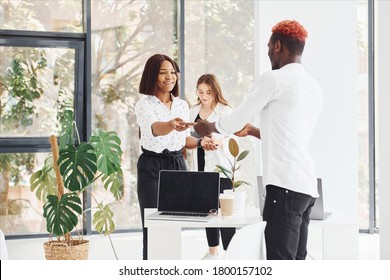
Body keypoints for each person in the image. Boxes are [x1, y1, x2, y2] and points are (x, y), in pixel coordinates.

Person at [193, 20, 326, 260]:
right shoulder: (314, 87)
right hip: (306, 189)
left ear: (277, 46)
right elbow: (289, 136)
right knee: (297, 263)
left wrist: (207, 127)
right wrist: (254, 131)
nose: (267, 53)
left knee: (278, 263)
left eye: (267, 47)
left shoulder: (274, 79)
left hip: (284, 187)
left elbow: (232, 121)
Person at [135, 54, 216, 260]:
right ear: (152, 75)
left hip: (177, 165)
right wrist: (171, 124)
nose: (169, 77)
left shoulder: (181, 105)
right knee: (153, 226)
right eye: (163, 72)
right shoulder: (144, 105)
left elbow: (183, 140)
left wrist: (200, 142)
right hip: (152, 167)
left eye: (172, 72)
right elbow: (155, 129)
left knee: (174, 225)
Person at [189, 74, 236, 260]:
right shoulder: (193, 111)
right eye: (200, 92)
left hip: (221, 166)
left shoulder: (226, 111)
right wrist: (200, 141)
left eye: (208, 92)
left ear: (215, 91)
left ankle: (231, 253)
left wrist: (217, 141)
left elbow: (233, 137)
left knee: (225, 212)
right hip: (201, 166)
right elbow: (188, 135)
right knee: (207, 211)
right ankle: (213, 251)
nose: (204, 95)